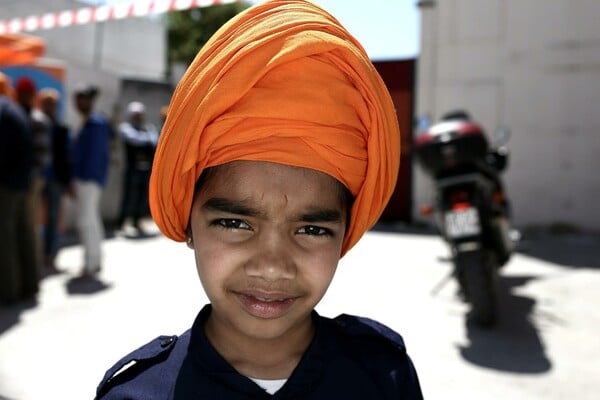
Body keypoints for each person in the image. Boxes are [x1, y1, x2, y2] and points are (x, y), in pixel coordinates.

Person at [96, 1, 423, 399]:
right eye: (235, 223)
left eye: (312, 229)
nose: (271, 266)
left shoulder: (384, 378)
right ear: (188, 223)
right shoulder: (136, 394)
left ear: (345, 234)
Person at [0, 73, 39, 304]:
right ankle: (29, 286)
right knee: (23, 233)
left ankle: (8, 292)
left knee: (5, 237)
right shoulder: (13, 109)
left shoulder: (4, 110)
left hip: (6, 184)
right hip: (21, 182)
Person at [71, 84, 112, 277]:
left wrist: (84, 178)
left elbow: (95, 155)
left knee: (85, 221)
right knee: (91, 221)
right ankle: (94, 261)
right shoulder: (90, 122)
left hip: (89, 179)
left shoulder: (95, 123)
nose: (79, 103)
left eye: (82, 99)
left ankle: (90, 264)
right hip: (88, 178)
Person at [37, 88, 73, 270]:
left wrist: (67, 183)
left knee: (52, 218)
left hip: (55, 179)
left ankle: (49, 254)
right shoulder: (33, 124)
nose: (49, 107)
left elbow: (66, 157)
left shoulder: (61, 129)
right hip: (36, 178)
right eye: (46, 104)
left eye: (52, 104)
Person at [116, 101, 158, 234]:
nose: (138, 117)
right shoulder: (125, 127)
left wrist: (146, 139)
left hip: (145, 168)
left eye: (140, 115)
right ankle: (121, 222)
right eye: (135, 115)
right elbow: (135, 140)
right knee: (129, 196)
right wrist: (146, 140)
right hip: (132, 168)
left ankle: (137, 221)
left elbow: (155, 140)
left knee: (142, 197)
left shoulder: (147, 128)